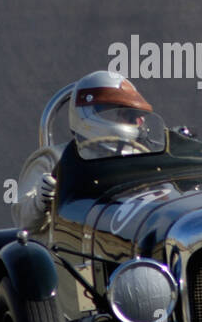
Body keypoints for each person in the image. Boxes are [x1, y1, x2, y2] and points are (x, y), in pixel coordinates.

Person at [12, 71, 162, 236]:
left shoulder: (143, 157)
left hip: (127, 244)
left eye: (132, 116)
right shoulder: (53, 159)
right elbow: (22, 222)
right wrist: (39, 201)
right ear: (90, 112)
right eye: (120, 113)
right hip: (69, 250)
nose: (130, 122)